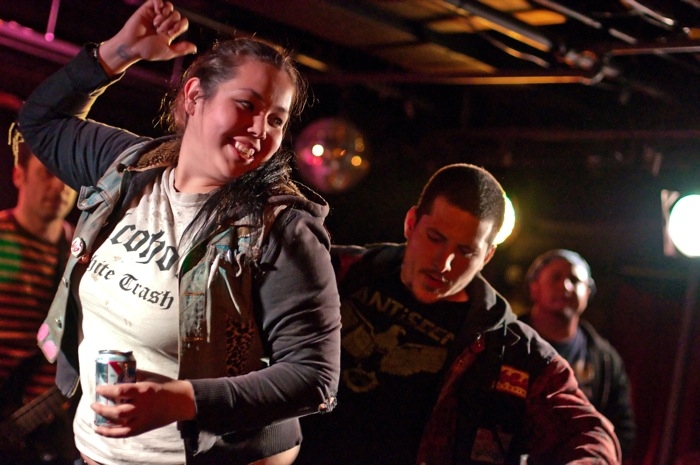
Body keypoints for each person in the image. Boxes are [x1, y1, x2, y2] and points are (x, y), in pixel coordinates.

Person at [17, 0, 341, 464]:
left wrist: (183, 400)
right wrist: (116, 53)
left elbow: (314, 378)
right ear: (193, 97)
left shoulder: (282, 229)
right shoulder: (127, 167)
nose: (259, 130)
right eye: (246, 105)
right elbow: (40, 122)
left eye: (276, 119)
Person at [296, 163, 621, 465]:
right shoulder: (333, 273)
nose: (444, 262)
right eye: (435, 238)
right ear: (411, 223)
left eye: (466, 251)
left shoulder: (510, 348)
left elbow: (591, 434)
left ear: (488, 255)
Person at [0, 125, 78, 464]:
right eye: (47, 173)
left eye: (68, 178)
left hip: (39, 426)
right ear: (19, 176)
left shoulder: (82, 256)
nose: (59, 187)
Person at [521, 249, 635, 460]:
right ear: (534, 287)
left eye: (575, 280)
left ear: (588, 293)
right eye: (555, 277)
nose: (565, 286)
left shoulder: (605, 359)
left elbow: (621, 429)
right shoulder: (507, 341)